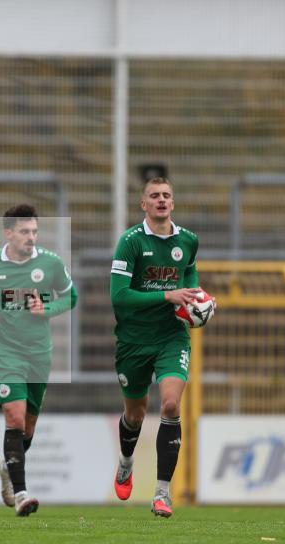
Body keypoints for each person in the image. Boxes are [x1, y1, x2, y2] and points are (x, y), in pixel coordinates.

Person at [0, 205, 77, 516]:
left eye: (35, 231)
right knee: (14, 418)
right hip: (4, 353)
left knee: (27, 428)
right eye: (25, 231)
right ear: (9, 233)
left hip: (38, 354)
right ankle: (21, 494)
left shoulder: (50, 263)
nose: (31, 237)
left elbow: (71, 296)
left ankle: (6, 467)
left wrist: (48, 309)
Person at [110, 177, 200, 518]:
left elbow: (188, 285)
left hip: (171, 337)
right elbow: (118, 297)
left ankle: (162, 493)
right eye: (154, 196)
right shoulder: (130, 243)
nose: (161, 200)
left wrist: (196, 303)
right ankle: (126, 462)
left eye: (166, 195)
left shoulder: (188, 241)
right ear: (143, 205)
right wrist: (167, 294)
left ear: (172, 203)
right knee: (134, 414)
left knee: (172, 404)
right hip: (133, 341)